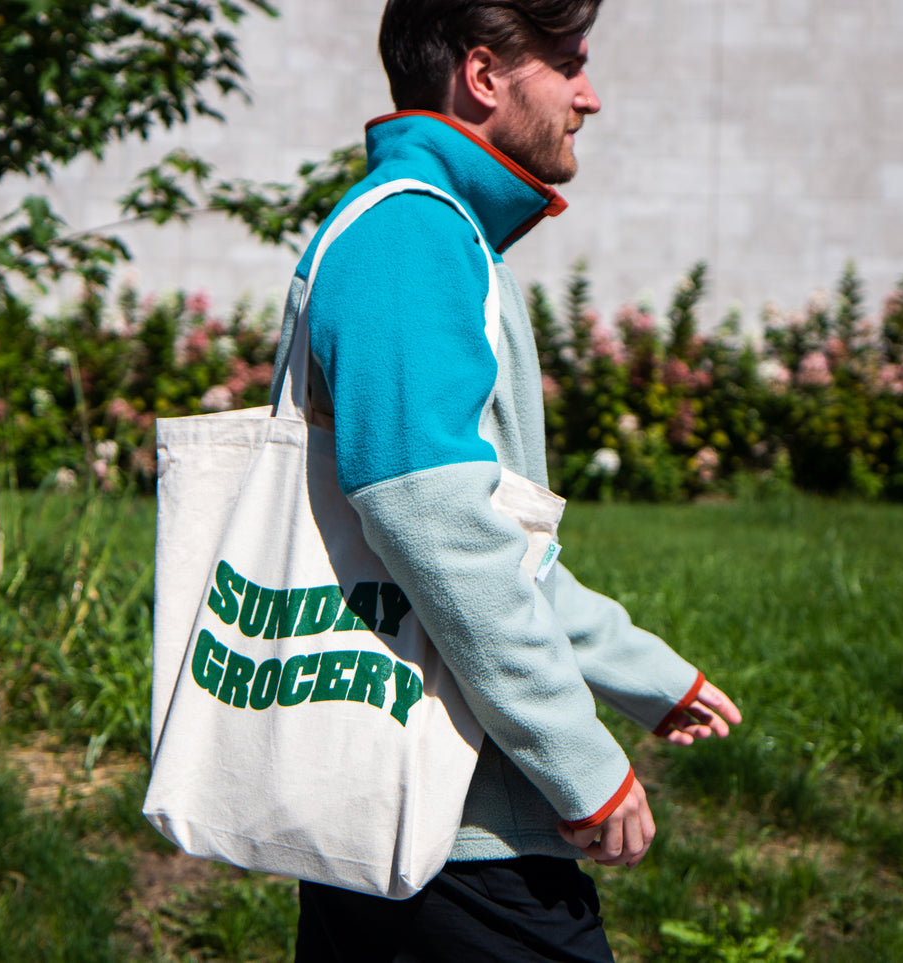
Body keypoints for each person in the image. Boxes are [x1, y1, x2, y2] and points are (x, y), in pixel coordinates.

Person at [273, 1, 742, 959]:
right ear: (483, 76)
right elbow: (435, 523)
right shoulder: (411, 238)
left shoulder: (432, 232)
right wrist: (578, 759)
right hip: (454, 843)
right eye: (567, 63)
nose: (589, 95)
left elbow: (488, 536)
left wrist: (642, 673)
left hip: (415, 819)